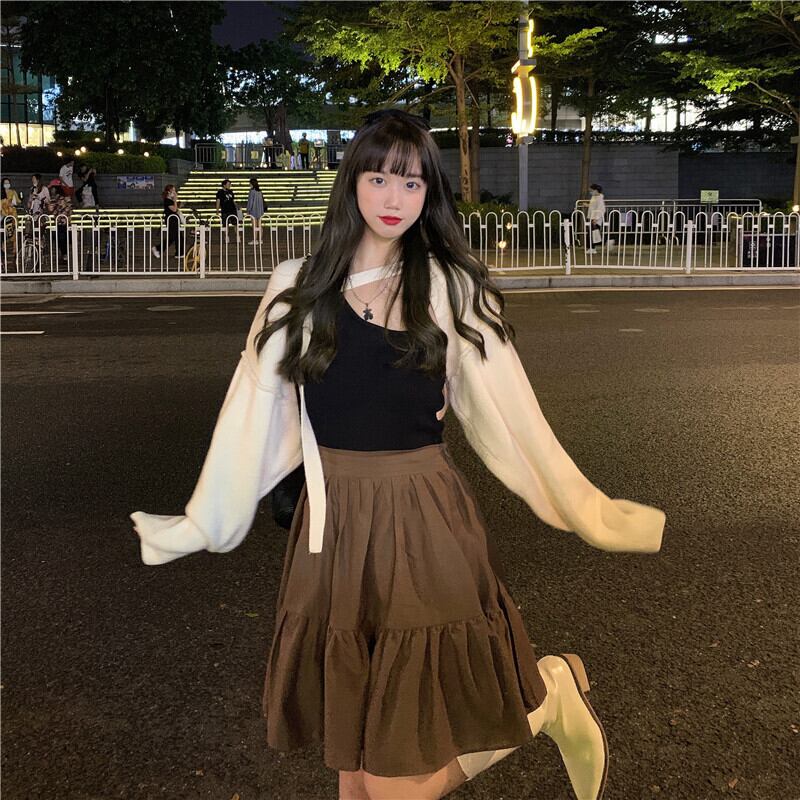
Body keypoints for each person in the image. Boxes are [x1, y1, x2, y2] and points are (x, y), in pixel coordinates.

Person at [130, 109, 665, 800]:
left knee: (393, 784)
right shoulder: (297, 286)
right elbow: (251, 414)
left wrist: (587, 511)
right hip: (334, 532)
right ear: (352, 181)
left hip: (421, 521)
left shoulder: (450, 287)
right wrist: (203, 522)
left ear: (429, 194)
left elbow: (513, 419)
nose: (393, 198)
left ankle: (550, 700)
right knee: (355, 769)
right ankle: (550, 698)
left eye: (412, 184)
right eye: (379, 178)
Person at [151, 184, 183, 261]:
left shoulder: (170, 201)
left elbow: (175, 209)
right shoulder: (167, 201)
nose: (175, 192)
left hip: (174, 220)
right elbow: (174, 209)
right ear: (169, 192)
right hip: (171, 221)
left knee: (178, 237)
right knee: (172, 238)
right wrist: (175, 200)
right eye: (173, 191)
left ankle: (179, 253)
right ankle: (157, 248)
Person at [47, 183, 72, 262]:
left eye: (53, 188)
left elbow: (54, 209)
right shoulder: (59, 199)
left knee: (61, 239)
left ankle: (64, 255)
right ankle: (63, 254)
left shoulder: (60, 199)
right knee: (61, 239)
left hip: (62, 223)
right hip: (61, 223)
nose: (51, 190)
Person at [215, 178, 239, 243]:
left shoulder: (231, 191)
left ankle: (237, 236)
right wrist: (217, 210)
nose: (229, 186)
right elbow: (218, 201)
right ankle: (226, 237)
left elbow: (233, 200)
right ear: (224, 185)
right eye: (228, 184)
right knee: (225, 224)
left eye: (230, 184)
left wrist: (237, 206)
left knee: (235, 224)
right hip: (225, 210)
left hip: (233, 210)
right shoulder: (220, 192)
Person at [587, 183, 606, 254]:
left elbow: (601, 209)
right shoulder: (594, 197)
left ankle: (592, 248)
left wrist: (596, 219)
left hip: (595, 219)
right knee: (593, 234)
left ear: (596, 190)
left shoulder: (599, 199)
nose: (590, 192)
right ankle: (592, 248)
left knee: (593, 234)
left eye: (591, 190)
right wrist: (587, 205)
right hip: (592, 217)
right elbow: (593, 206)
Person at [246, 177, 266, 246]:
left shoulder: (252, 191)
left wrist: (248, 210)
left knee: (254, 226)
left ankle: (255, 240)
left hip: (253, 211)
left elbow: (250, 202)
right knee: (260, 225)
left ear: (251, 184)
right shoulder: (259, 191)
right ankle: (260, 239)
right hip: (260, 210)